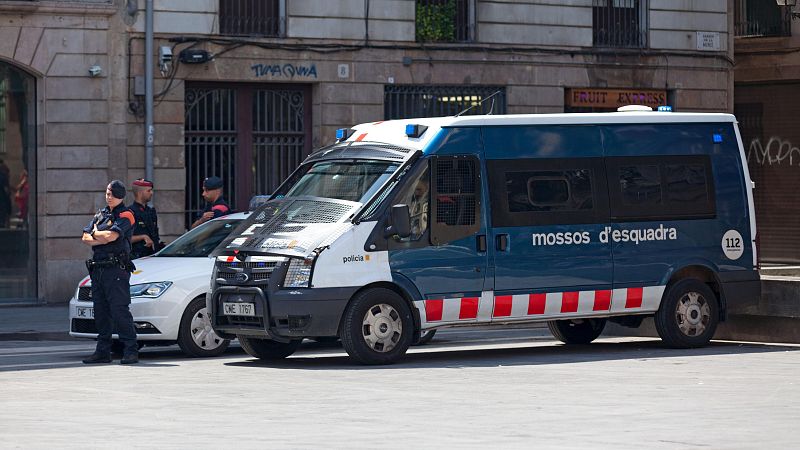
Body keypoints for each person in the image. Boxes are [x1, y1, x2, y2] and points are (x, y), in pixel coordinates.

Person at [81, 180, 139, 365]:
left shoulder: (127, 214)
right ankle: (103, 352)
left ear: (120, 195)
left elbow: (112, 236)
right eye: (107, 192)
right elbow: (85, 237)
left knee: (120, 311)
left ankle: (130, 350)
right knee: (101, 312)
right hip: (98, 269)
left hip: (116, 270)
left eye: (112, 193)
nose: (108, 196)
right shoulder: (101, 214)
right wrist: (101, 236)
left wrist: (97, 233)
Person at [129, 178, 163, 259]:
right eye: (149, 191)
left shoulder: (150, 211)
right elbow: (123, 239)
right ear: (140, 193)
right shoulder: (130, 213)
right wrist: (143, 237)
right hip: (136, 258)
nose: (152, 193)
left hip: (152, 256)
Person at [0, 159, 10, 228]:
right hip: (2, 197)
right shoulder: (3, 176)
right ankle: (2, 223)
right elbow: (6, 188)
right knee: (3, 209)